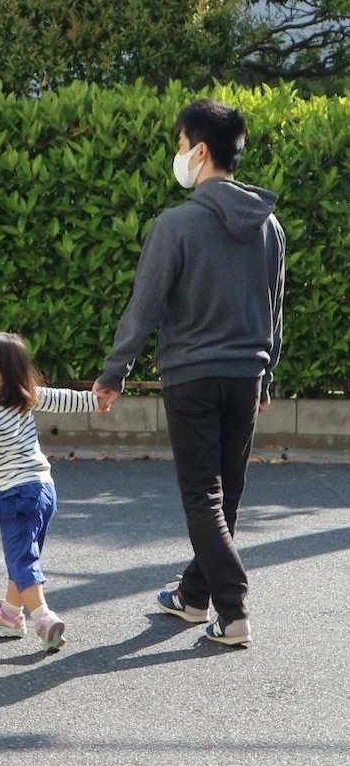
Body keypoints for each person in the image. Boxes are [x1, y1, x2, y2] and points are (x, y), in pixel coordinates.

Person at [93, 98, 286, 648]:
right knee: (228, 493)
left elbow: (144, 306)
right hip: (245, 375)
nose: (178, 155)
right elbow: (274, 308)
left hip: (191, 377)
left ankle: (232, 606)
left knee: (203, 493)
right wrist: (266, 376)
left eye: (180, 145)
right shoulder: (268, 226)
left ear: (199, 151)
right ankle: (195, 595)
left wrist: (114, 373)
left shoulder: (175, 226)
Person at [0, 332, 101, 653]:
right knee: (24, 556)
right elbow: (62, 398)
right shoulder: (25, 395)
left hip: (14, 495)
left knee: (22, 558)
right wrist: (95, 399)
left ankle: (43, 618)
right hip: (44, 490)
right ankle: (9, 613)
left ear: (8, 377)